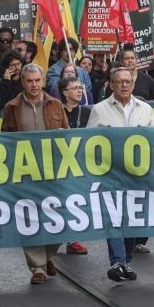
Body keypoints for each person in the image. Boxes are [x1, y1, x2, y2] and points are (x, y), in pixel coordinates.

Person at [1, 64, 69, 285]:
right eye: (29, 81)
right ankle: (37, 267)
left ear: (43, 81)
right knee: (30, 219)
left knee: (59, 219)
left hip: (54, 172)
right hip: (26, 173)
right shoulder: (11, 107)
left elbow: (70, 137)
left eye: (37, 80)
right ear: (23, 82)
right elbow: (4, 142)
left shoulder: (56, 105)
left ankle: (48, 255)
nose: (34, 85)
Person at [88, 67, 154, 282]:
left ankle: (124, 261)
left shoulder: (145, 109)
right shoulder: (99, 109)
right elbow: (89, 143)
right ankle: (117, 261)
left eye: (128, 81)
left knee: (132, 220)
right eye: (120, 82)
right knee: (114, 217)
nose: (124, 85)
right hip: (111, 175)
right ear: (111, 84)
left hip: (138, 175)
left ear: (133, 84)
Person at [56, 76, 91, 256]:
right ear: (65, 92)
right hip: (57, 162)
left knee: (76, 200)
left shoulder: (86, 112)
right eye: (75, 88)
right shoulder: (55, 110)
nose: (80, 91)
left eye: (81, 87)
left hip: (79, 161)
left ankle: (73, 239)